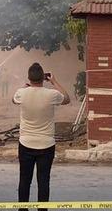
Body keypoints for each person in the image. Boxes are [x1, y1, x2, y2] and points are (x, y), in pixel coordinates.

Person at [12, 63, 70, 211]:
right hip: (46, 144)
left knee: (24, 180)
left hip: (25, 143)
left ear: (29, 77)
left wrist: (25, 88)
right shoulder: (52, 94)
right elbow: (67, 98)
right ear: (44, 78)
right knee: (43, 181)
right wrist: (55, 82)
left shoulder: (21, 93)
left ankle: (22, 209)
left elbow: (14, 99)